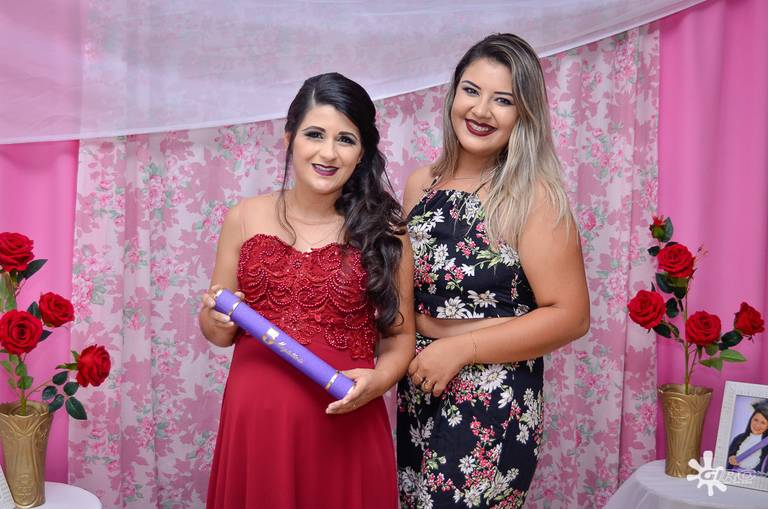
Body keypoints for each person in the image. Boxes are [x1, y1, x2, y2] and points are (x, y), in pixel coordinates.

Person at [200, 72, 415, 509]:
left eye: (345, 139)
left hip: (344, 424)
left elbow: (400, 335)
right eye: (315, 134)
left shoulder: (386, 231)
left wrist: (379, 381)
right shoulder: (244, 217)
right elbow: (218, 330)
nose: (328, 153)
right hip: (255, 426)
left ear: (362, 152)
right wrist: (215, 318)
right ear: (289, 139)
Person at [397, 33, 590, 508]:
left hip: (493, 397)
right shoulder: (421, 183)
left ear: (524, 113)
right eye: (471, 90)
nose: (481, 110)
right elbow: (403, 294)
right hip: (420, 387)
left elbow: (571, 316)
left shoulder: (534, 196)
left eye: (503, 100)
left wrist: (459, 349)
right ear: (453, 94)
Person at [727, 400, 768, 474]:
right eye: (755, 420)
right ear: (751, 419)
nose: (757, 425)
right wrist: (730, 458)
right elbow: (726, 458)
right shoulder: (738, 438)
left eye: (763, 423)